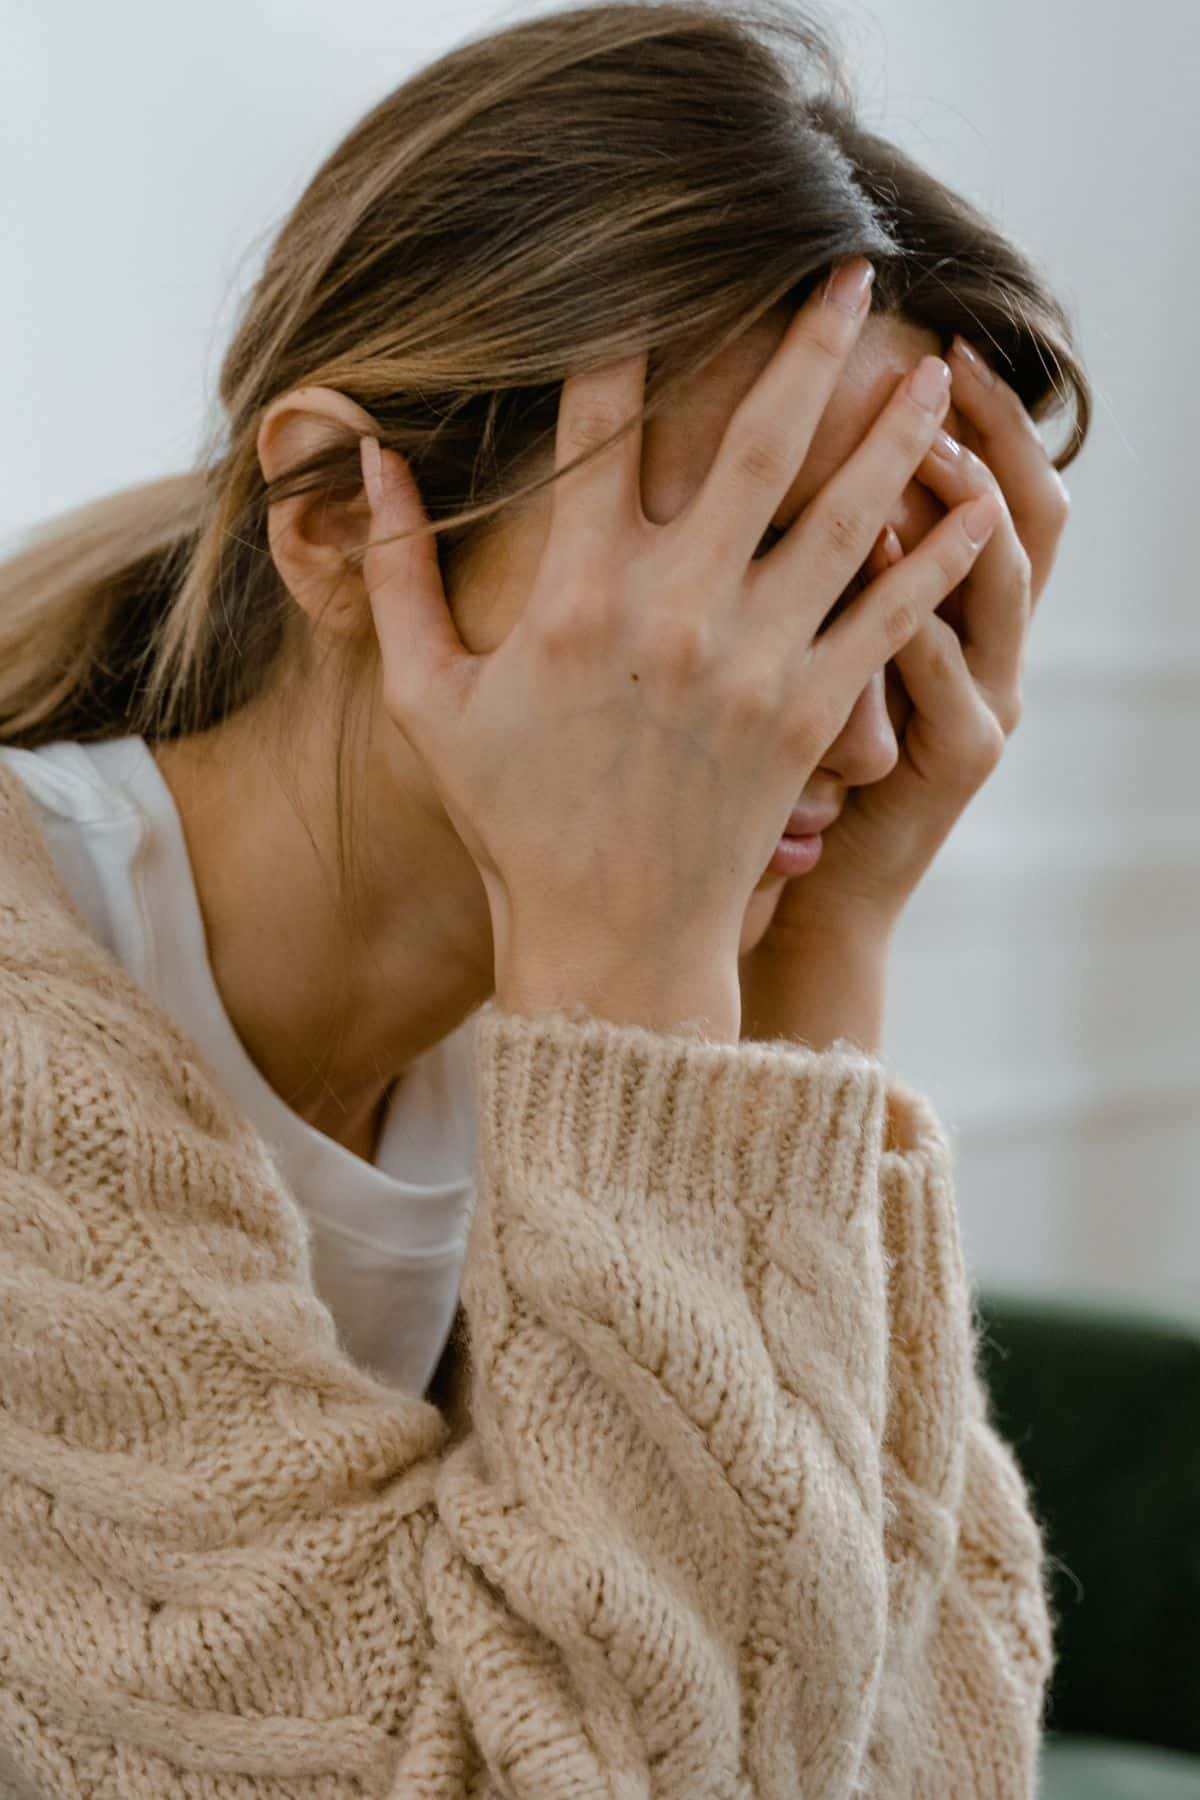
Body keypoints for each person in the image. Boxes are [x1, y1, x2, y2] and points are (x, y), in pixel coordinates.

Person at [0, 1, 1090, 1793]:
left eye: (898, 588)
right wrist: (652, 979)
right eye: (748, 556)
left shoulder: (606, 1001)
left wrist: (824, 964)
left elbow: (923, 1760)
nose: (822, 702)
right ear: (344, 514)